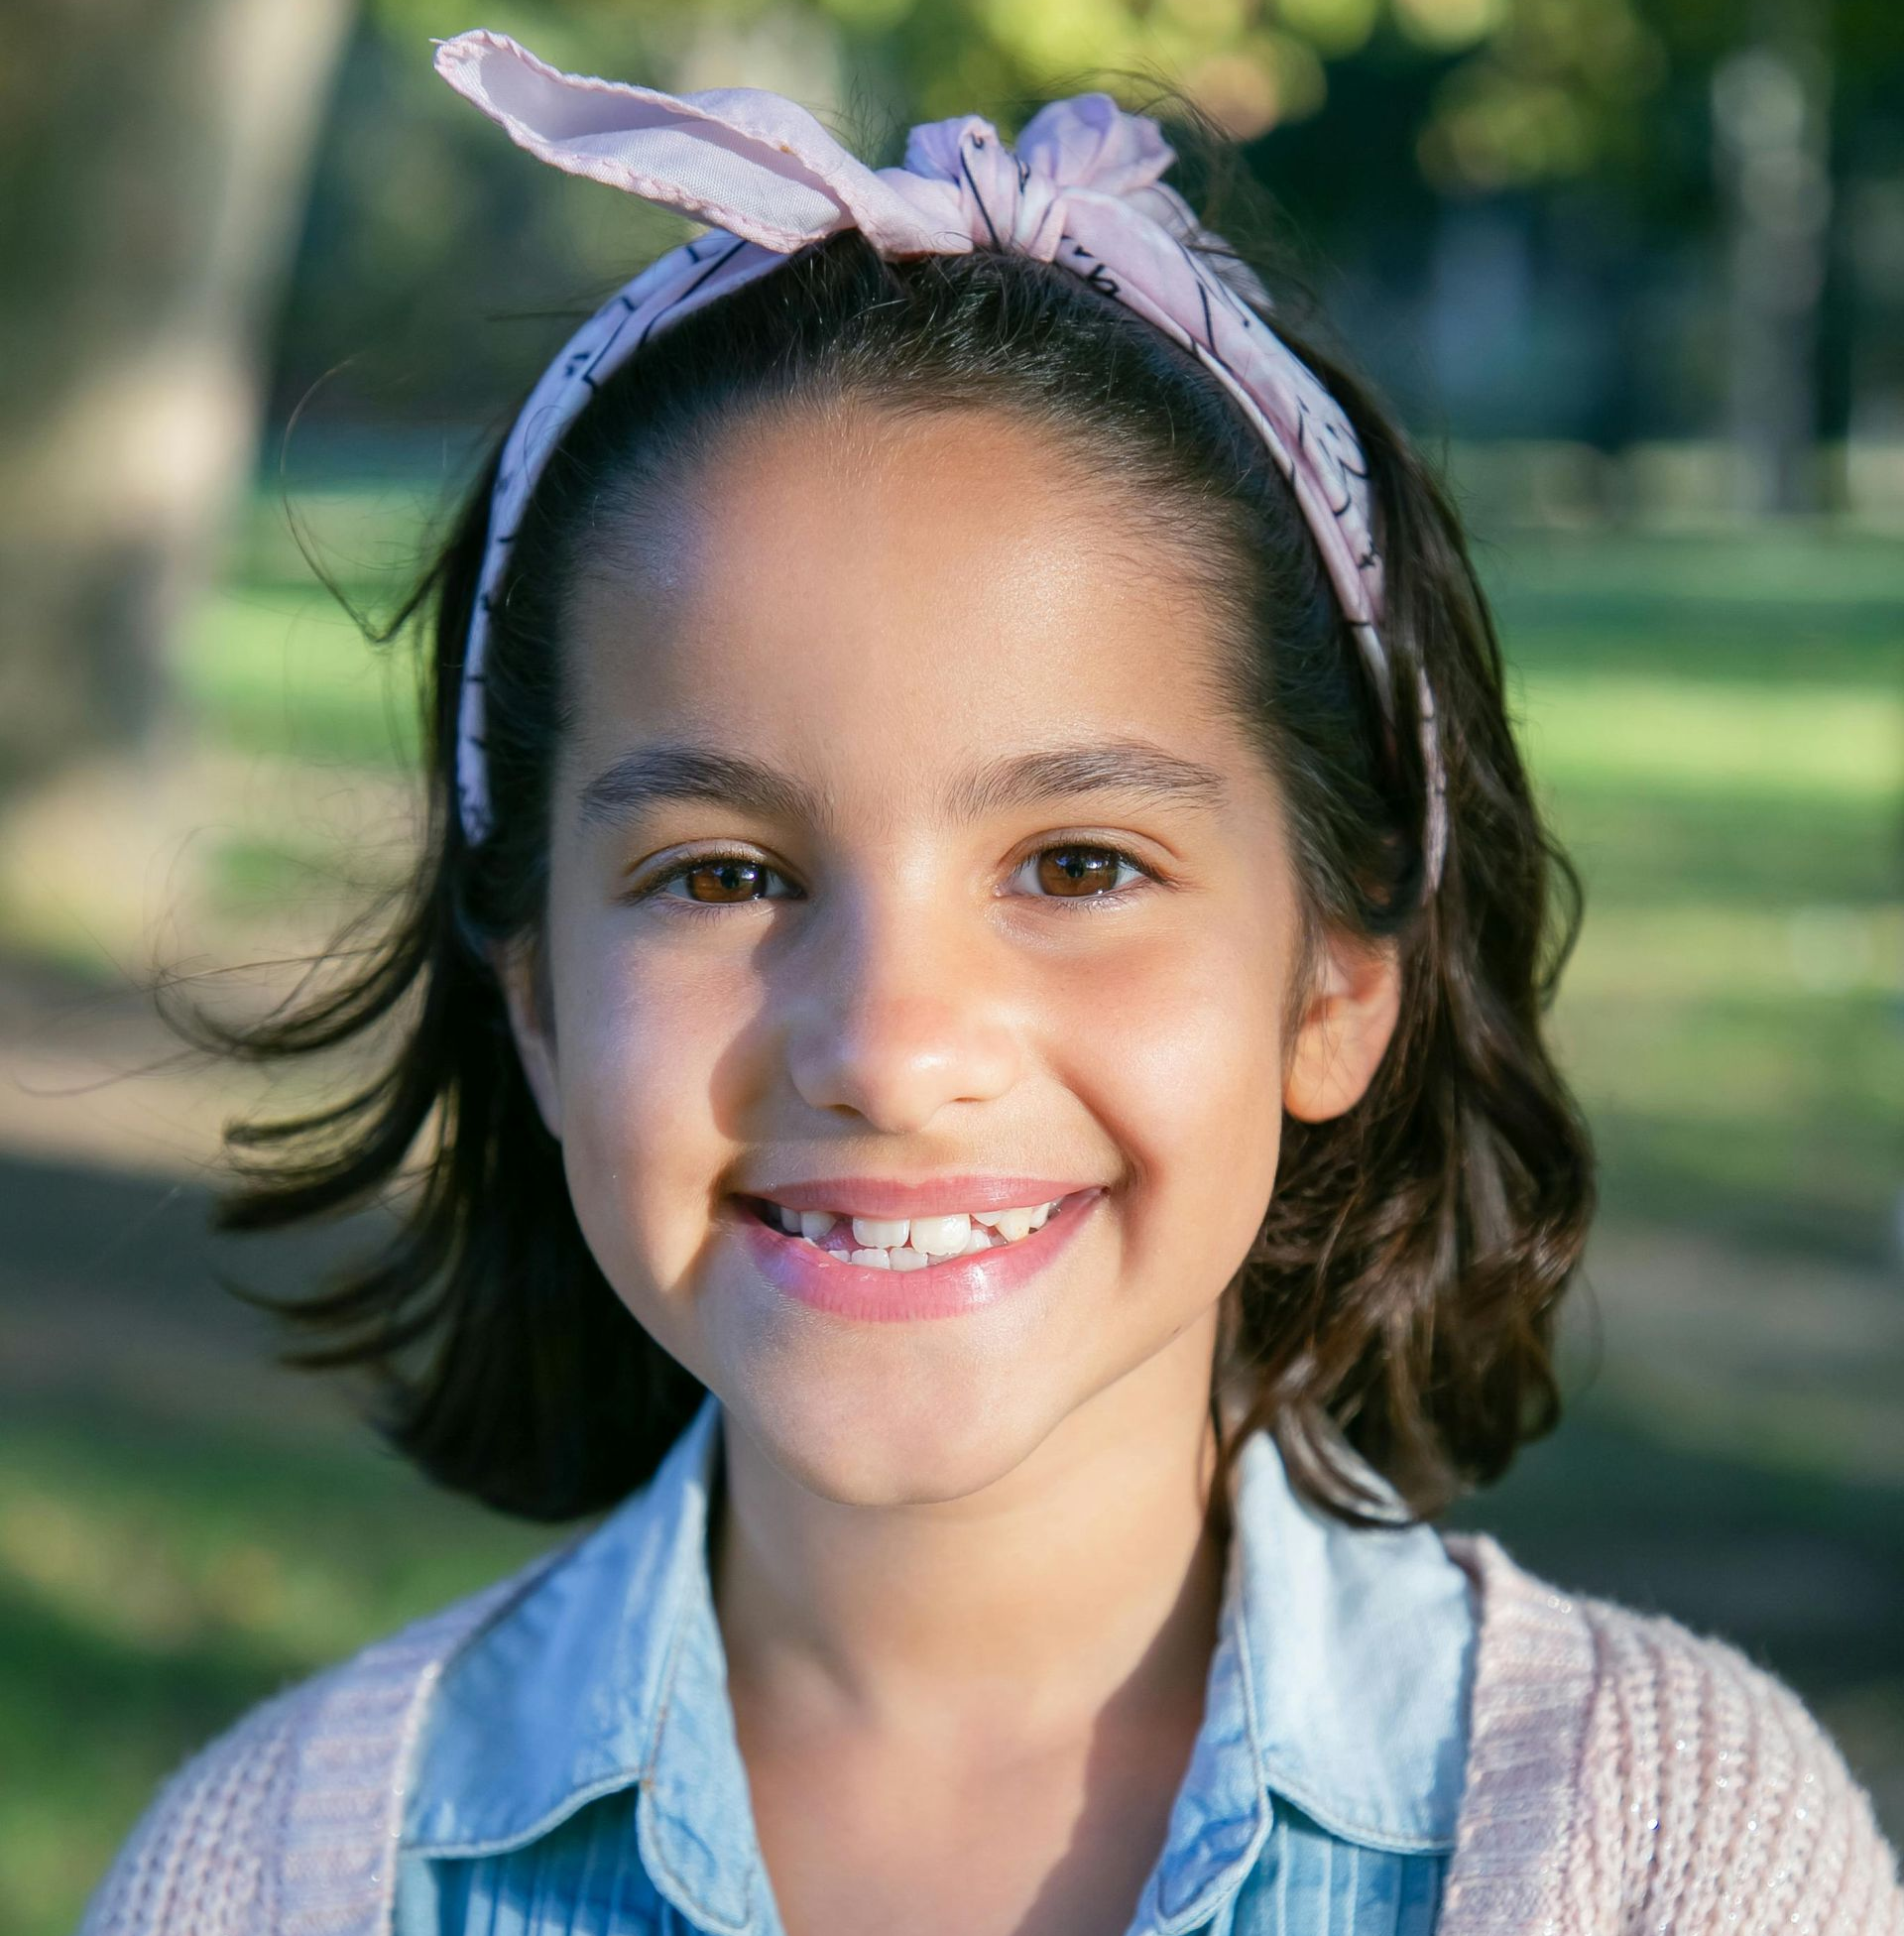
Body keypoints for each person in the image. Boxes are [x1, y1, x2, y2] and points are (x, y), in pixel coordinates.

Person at [78, 29, 1902, 1936]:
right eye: (722, 874)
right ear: (534, 994)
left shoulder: (1674, 1854)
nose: (891, 1047)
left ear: (1338, 978)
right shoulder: (277, 1877)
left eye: (1081, 866)